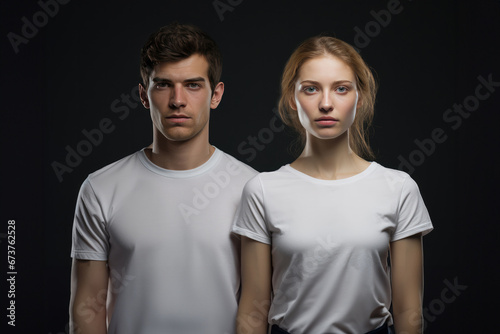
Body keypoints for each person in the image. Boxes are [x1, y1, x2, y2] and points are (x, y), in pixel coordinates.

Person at [233, 35, 433, 334]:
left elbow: (409, 313)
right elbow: (251, 314)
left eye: (341, 89)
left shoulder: (399, 188)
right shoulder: (262, 190)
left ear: (360, 97)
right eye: (311, 89)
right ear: (292, 99)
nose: (326, 104)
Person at [69, 22, 257, 334]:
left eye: (194, 85)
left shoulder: (252, 189)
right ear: (144, 95)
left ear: (216, 94)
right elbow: (87, 309)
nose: (178, 100)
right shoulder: (101, 189)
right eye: (163, 85)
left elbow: (255, 310)